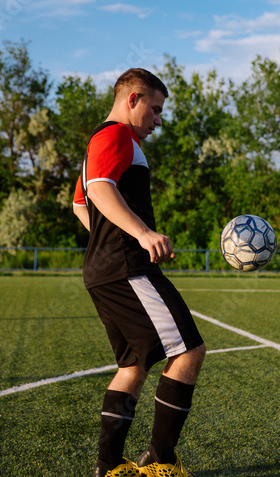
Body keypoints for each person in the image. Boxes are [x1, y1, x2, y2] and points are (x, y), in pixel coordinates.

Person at [73, 68, 206, 477]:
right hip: (127, 269)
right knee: (188, 351)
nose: (158, 120)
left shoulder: (100, 142)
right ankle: (161, 460)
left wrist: (108, 240)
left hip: (104, 270)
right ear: (133, 99)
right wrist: (141, 234)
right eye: (155, 108)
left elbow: (80, 203)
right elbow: (97, 191)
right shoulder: (115, 136)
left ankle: (109, 468)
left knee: (132, 365)